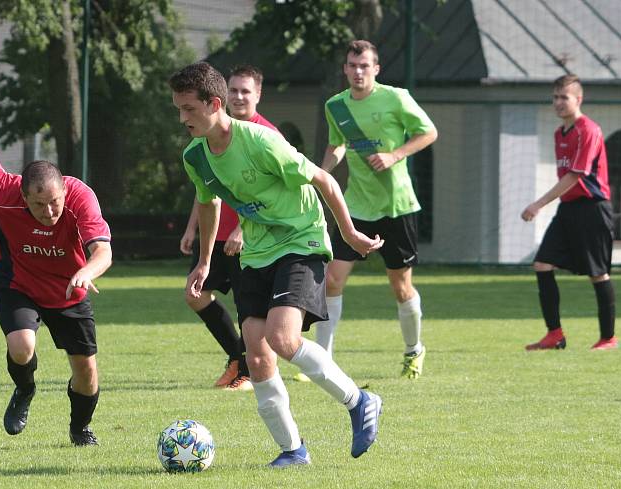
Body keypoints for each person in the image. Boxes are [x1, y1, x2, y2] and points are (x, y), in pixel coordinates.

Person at [169, 61, 385, 468]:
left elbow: (325, 180)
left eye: (189, 109)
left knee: (282, 338)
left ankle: (359, 402)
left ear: (214, 104)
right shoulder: (196, 156)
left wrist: (351, 234)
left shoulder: (260, 141)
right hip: (258, 250)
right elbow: (208, 200)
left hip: (301, 239)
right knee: (256, 351)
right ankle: (293, 450)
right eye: (178, 110)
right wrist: (204, 261)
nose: (183, 119)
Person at [0, 144, 113, 446]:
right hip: (18, 282)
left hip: (69, 288)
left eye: (55, 202)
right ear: (24, 197)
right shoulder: (3, 192)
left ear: (64, 194)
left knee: (86, 373)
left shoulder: (81, 198)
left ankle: (79, 428)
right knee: (21, 347)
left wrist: (86, 272)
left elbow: (104, 252)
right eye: (39, 204)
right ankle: (25, 389)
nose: (49, 212)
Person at [314, 40, 437, 380]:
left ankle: (414, 350)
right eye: (352, 66)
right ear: (345, 69)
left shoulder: (395, 97)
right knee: (332, 279)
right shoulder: (336, 106)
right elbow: (337, 144)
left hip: (398, 207)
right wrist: (320, 175)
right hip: (356, 206)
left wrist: (395, 155)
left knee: (400, 286)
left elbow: (429, 132)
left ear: (376, 69)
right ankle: (323, 361)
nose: (358, 72)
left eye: (364, 66)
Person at [179, 65, 280, 392]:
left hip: (249, 241)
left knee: (249, 309)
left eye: (245, 91)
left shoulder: (264, 135)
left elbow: (279, 193)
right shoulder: (210, 136)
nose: (238, 96)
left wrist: (242, 230)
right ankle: (238, 357)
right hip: (214, 236)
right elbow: (206, 189)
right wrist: (192, 227)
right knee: (195, 296)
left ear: (258, 95)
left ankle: (250, 371)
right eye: (233, 89)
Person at [521, 74, 618, 351]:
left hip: (593, 209)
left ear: (579, 99)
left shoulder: (589, 129)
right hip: (569, 209)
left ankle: (608, 337)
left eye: (564, 97)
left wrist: (538, 204)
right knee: (542, 264)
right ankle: (555, 335)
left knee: (598, 273)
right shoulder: (559, 133)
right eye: (555, 97)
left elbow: (576, 176)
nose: (558, 103)